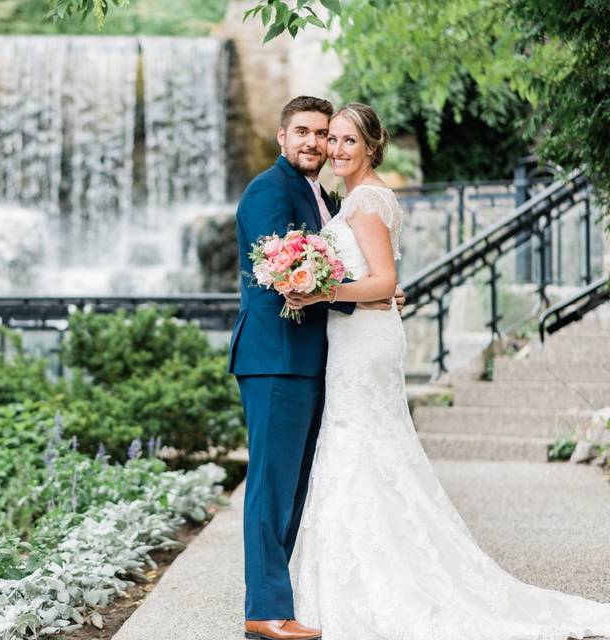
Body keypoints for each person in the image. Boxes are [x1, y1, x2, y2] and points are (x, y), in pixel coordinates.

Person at [284, 102, 610, 640]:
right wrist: (352, 292)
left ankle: (373, 585)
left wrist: (320, 291)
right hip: (358, 335)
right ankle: (358, 575)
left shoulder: (366, 199)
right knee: (364, 443)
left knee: (357, 441)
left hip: (363, 342)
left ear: (371, 147)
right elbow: (381, 281)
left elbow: (383, 282)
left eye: (348, 141)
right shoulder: (357, 199)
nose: (336, 150)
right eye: (332, 140)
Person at [227, 95, 406, 640]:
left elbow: (329, 265)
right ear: (282, 137)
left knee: (297, 483)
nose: (314, 142)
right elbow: (279, 275)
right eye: (302, 131)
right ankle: (265, 608)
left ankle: (282, 595)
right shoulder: (268, 191)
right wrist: (362, 298)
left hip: (313, 358)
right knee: (271, 484)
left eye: (323, 134)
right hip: (276, 358)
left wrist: (374, 292)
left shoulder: (323, 194)